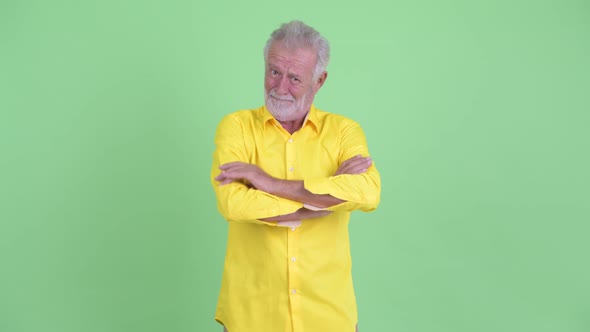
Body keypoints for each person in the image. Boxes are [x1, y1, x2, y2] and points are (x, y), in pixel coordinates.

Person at [211, 20, 381, 332]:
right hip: (253, 316)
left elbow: (368, 192)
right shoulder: (235, 127)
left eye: (294, 78)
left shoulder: (344, 132)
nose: (280, 87)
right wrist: (321, 202)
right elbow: (234, 203)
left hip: (329, 315)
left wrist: (269, 183)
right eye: (274, 71)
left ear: (319, 81)